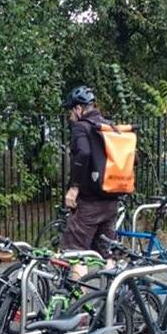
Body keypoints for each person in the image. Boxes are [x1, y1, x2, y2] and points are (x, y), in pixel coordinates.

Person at [60, 85, 117, 263]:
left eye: (70, 110)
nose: (70, 116)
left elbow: (83, 153)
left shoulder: (81, 127)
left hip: (90, 203)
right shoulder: (110, 127)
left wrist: (74, 187)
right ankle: (114, 289)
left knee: (74, 253)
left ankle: (77, 291)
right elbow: (134, 159)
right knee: (106, 254)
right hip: (112, 202)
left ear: (78, 108)